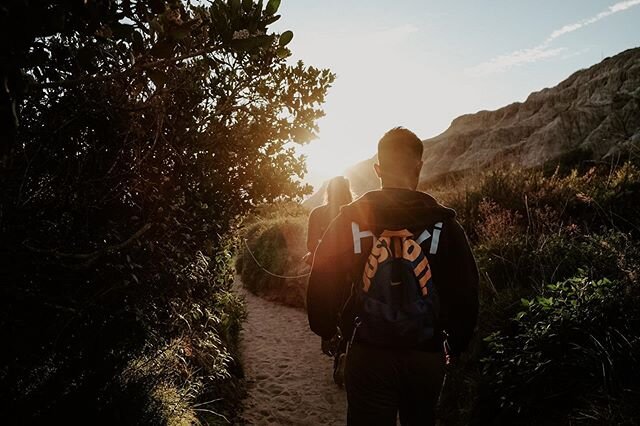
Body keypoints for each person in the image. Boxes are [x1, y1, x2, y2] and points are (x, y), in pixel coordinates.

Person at [307, 127, 479, 425]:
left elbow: (323, 275)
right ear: (419, 166)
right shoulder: (445, 225)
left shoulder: (350, 219)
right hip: (426, 355)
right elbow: (465, 290)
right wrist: (457, 343)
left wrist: (325, 327)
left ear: (378, 169)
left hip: (368, 352)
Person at [305, 176, 353, 263]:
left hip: (325, 266)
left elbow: (311, 245)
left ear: (329, 191)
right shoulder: (357, 212)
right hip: (353, 265)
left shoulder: (317, 213)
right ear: (348, 191)